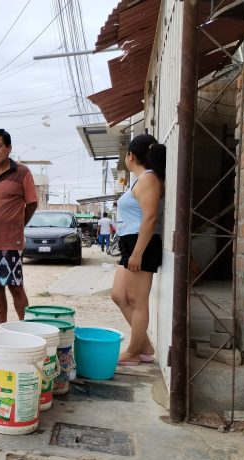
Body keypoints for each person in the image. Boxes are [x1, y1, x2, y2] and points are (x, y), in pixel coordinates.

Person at [111, 133, 166, 365]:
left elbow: (150, 217)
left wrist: (137, 253)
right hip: (130, 242)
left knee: (136, 300)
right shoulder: (141, 179)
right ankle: (143, 345)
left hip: (141, 244)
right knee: (118, 295)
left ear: (131, 155)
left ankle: (134, 352)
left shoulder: (149, 180)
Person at [0, 129, 37, 324]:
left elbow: (32, 203)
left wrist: (17, 225)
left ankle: (27, 328)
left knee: (15, 286)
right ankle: (3, 328)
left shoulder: (22, 172)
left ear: (9, 148)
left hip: (10, 242)